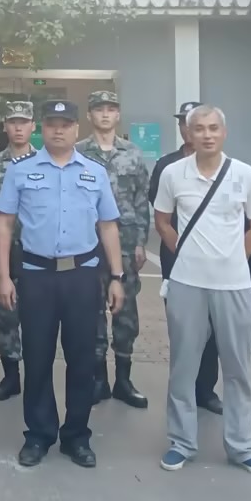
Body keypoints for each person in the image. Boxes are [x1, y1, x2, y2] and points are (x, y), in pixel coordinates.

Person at [0, 100, 126, 468]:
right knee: (36, 357)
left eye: (65, 124)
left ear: (76, 129)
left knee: (82, 358)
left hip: (82, 276)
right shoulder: (20, 170)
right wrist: (3, 276)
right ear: (43, 128)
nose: (58, 130)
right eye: (51, 123)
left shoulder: (94, 172)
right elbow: (4, 224)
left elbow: (108, 226)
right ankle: (38, 435)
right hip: (36, 275)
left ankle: (76, 436)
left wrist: (117, 277)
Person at [153, 104, 251, 477]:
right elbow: (162, 220)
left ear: (224, 132)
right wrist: (183, 251)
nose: (206, 134)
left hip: (234, 284)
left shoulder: (244, 174)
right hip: (187, 283)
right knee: (183, 367)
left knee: (237, 368)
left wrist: (235, 257)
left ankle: (242, 446)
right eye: (199, 128)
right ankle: (181, 442)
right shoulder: (173, 173)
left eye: (213, 128)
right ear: (188, 134)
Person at [75, 90, 152, 408]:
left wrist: (140, 241)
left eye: (110, 109)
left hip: (126, 244)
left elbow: (141, 199)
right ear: (89, 115)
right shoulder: (78, 152)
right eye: (99, 109)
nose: (105, 114)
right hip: (88, 244)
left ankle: (123, 380)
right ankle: (98, 380)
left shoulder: (132, 153)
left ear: (118, 115)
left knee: (126, 314)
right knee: (91, 312)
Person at [151, 100, 222, 414]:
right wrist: (179, 249)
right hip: (176, 258)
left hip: (214, 262)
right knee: (183, 328)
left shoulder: (226, 167)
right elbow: (161, 214)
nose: (190, 129)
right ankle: (182, 392)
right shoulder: (166, 166)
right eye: (185, 123)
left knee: (213, 328)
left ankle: (205, 390)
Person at [0, 100, 35, 402]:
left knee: (38, 318)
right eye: (13, 122)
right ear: (5, 127)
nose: (18, 128)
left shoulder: (44, 162)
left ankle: (36, 376)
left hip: (37, 253)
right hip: (5, 253)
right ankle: (11, 377)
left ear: (32, 126)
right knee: (7, 316)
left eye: (23, 122)